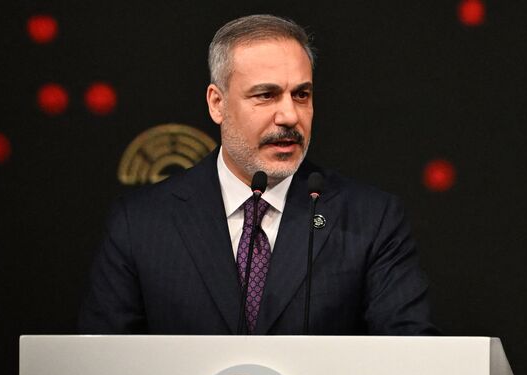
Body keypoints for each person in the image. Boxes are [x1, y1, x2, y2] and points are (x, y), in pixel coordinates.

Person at [78, 14, 437, 335]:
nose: (290, 116)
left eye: (301, 95)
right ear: (217, 103)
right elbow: (103, 368)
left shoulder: (371, 219)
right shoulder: (140, 223)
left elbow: (411, 358)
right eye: (266, 95)